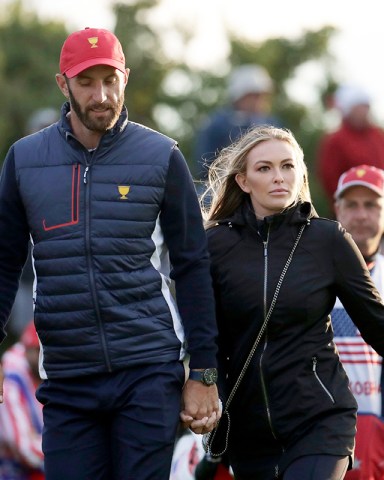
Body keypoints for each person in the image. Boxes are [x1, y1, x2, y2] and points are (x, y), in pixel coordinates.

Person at [0, 27, 220, 480]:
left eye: (110, 80)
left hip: (147, 368)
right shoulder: (24, 160)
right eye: (86, 82)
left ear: (125, 78)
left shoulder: (162, 156)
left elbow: (194, 267)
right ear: (63, 84)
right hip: (66, 376)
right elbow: (3, 264)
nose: (101, 95)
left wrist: (204, 373)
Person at [203, 125, 384, 479]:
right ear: (243, 181)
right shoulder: (215, 247)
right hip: (248, 433)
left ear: (300, 172)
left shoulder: (328, 240)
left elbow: (378, 324)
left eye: (288, 166)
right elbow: (206, 337)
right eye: (264, 168)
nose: (279, 177)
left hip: (320, 422)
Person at [332, 164, 384, 479]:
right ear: (337, 209)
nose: (361, 215)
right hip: (326, 429)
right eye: (352, 204)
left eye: (372, 205)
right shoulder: (310, 272)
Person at [194, 64, 280, 184]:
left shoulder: (272, 125)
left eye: (261, 95)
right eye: (254, 95)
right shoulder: (217, 125)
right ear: (239, 96)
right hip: (224, 188)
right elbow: (204, 168)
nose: (259, 100)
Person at [317, 84, 384, 213]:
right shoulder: (335, 140)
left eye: (366, 107)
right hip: (352, 212)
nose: (364, 111)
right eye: (360, 107)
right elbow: (329, 180)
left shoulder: (378, 135)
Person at [0, 320, 44, 480]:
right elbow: (24, 449)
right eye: (39, 350)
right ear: (28, 348)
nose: (45, 358)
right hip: (13, 471)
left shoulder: (44, 373)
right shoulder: (12, 378)